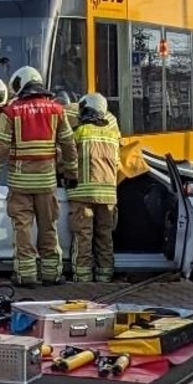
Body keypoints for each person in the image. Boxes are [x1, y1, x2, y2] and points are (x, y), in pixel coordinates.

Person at [0, 66, 78, 288]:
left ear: (21, 84)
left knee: (23, 228)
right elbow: (68, 144)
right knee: (48, 227)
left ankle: (26, 275)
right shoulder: (57, 110)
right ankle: (51, 274)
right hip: (47, 182)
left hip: (20, 183)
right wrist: (71, 173)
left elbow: (0, 146)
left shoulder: (11, 112)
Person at [67, 93, 122, 283]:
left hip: (82, 195)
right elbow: (117, 164)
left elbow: (66, 161)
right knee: (105, 236)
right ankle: (105, 276)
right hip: (108, 196)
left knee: (83, 236)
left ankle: (83, 278)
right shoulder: (113, 136)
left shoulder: (79, 132)